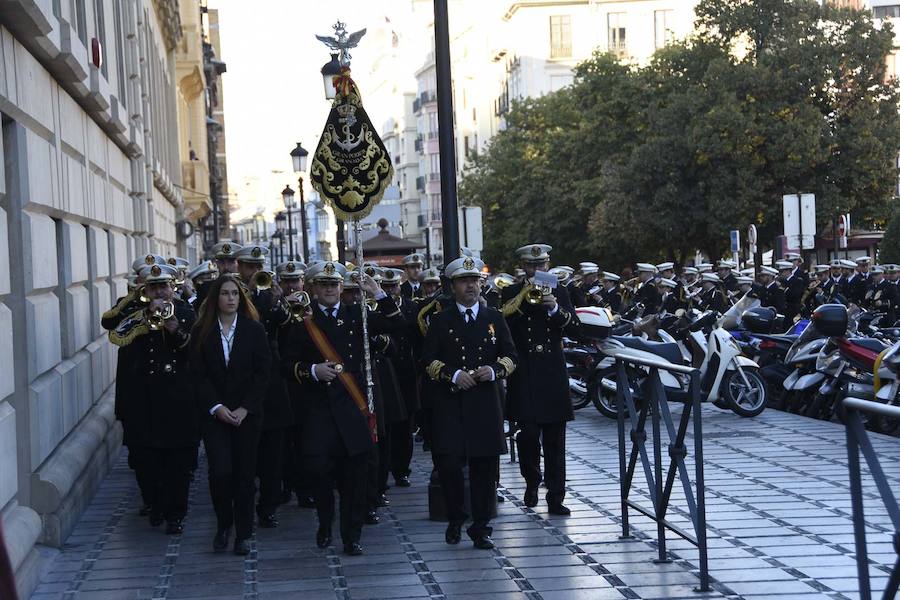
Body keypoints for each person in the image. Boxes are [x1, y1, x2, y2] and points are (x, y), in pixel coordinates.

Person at [280, 261, 402, 555]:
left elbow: (398, 326)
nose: (330, 289)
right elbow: (285, 363)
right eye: (323, 285)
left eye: (334, 284)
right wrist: (311, 370)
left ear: (341, 287)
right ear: (314, 289)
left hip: (352, 404)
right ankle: (325, 521)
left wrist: (378, 293)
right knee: (318, 471)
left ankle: (352, 535)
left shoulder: (357, 315)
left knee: (355, 476)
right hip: (318, 408)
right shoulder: (301, 322)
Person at [422, 255, 517, 549]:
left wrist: (495, 369)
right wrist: (453, 375)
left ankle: (480, 527)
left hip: (484, 403)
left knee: (484, 470)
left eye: (475, 281)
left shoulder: (494, 318)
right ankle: (455, 518)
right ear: (453, 287)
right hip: (451, 404)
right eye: (464, 282)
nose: (471, 286)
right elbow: (427, 360)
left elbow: (512, 356)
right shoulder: (440, 320)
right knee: (449, 466)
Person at [108, 263, 197, 534]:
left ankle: (175, 514)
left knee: (178, 463)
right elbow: (110, 327)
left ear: (173, 288)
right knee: (145, 461)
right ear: (145, 289)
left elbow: (196, 351)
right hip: (142, 400)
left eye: (163, 286)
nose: (159, 291)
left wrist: (173, 328)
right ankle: (154, 504)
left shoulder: (185, 311)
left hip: (177, 401)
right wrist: (140, 308)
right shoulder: (134, 314)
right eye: (153, 286)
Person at [191, 275, 271, 555]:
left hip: (247, 415)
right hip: (216, 415)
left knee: (245, 476)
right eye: (225, 294)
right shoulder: (201, 330)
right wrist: (217, 407)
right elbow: (198, 376)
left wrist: (245, 408)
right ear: (216, 298)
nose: (230, 298)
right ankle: (224, 525)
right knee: (221, 472)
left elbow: (263, 374)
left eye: (235, 294)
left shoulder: (254, 330)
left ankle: (244, 533)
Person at [501, 244, 578, 515]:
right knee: (528, 436)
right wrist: (523, 299)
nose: (537, 271)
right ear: (523, 267)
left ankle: (556, 496)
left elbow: (574, 326)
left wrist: (555, 309)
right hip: (525, 373)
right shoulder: (511, 292)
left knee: (555, 440)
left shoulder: (560, 290)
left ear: (548, 265)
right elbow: (504, 327)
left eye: (541, 266)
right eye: (531, 267)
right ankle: (532, 480)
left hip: (552, 372)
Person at [234, 245, 293, 530]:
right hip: (241, 381)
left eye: (257, 266)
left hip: (271, 382)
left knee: (274, 450)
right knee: (245, 452)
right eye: (248, 266)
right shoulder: (230, 295)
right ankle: (243, 504)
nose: (254, 272)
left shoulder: (269, 295)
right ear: (239, 267)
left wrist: (279, 302)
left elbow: (287, 326)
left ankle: (268, 505)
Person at [381, 268, 421, 488]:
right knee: (386, 424)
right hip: (387, 370)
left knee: (405, 426)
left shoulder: (410, 306)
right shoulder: (378, 306)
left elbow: (414, 335)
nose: (390, 291)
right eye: (385, 287)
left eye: (393, 287)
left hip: (405, 371)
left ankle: (402, 470)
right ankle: (385, 467)